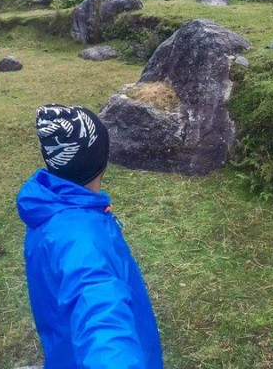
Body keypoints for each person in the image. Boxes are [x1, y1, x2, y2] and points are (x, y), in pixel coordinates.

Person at [16, 104, 163, 369]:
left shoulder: (51, 206)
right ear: (99, 159)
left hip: (67, 351)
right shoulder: (83, 241)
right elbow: (102, 318)